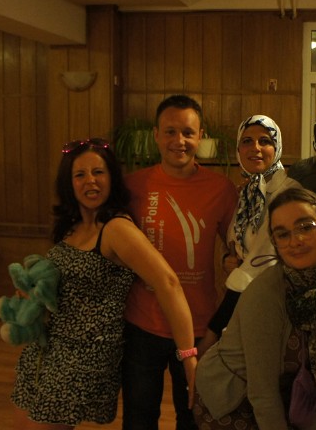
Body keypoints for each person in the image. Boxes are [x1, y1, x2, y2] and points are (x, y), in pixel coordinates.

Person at [10, 138, 196, 429]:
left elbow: (168, 283)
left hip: (81, 357)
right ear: (69, 182)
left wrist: (188, 355)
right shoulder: (72, 225)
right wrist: (32, 295)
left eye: (98, 172)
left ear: (112, 177)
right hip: (47, 347)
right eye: (80, 174)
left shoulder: (116, 228)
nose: (90, 181)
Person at [193, 187, 316, 430]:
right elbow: (262, 393)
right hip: (232, 398)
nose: (295, 241)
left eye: (306, 227)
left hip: (290, 396)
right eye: (282, 234)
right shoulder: (266, 292)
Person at [122, 95, 237, 430]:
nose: (179, 141)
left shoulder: (221, 188)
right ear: (156, 135)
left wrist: (231, 259)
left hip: (199, 327)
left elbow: (237, 247)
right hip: (142, 325)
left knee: (194, 418)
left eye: (188, 132)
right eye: (170, 132)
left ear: (201, 136)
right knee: (139, 419)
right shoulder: (133, 186)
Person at [200, 115, 302, 350]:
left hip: (275, 310)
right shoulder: (247, 194)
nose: (255, 148)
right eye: (247, 141)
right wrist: (227, 259)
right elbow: (236, 245)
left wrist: (212, 332)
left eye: (265, 141)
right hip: (245, 308)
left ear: (277, 147)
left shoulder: (288, 195)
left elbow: (258, 264)